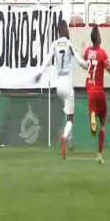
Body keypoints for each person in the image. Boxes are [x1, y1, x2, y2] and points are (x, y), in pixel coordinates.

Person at [35, 20, 88, 159]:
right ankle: (65, 138)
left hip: (58, 85)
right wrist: (89, 64)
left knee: (67, 113)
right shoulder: (69, 44)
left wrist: (40, 73)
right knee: (71, 118)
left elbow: (47, 59)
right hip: (68, 85)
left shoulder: (55, 44)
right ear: (65, 29)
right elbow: (81, 62)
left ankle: (70, 143)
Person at [84, 25, 110, 164]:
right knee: (103, 124)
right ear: (99, 39)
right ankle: (99, 154)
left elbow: (85, 64)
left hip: (89, 89)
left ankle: (92, 115)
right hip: (99, 91)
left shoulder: (87, 51)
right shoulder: (102, 53)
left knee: (93, 118)